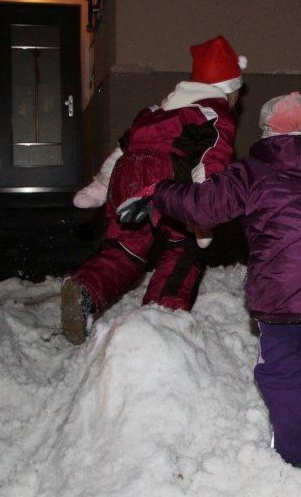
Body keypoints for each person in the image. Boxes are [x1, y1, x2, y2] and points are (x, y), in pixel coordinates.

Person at [118, 93, 301, 474]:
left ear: (267, 132)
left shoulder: (253, 170)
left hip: (284, 286)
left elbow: (203, 206)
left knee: (283, 365)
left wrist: (159, 192)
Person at [60, 35, 244, 345]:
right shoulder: (214, 111)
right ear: (229, 90)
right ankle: (162, 314)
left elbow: (122, 150)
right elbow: (213, 157)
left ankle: (87, 290)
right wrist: (204, 208)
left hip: (126, 175)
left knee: (125, 249)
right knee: (183, 246)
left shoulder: (156, 110)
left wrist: (101, 184)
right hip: (167, 178)